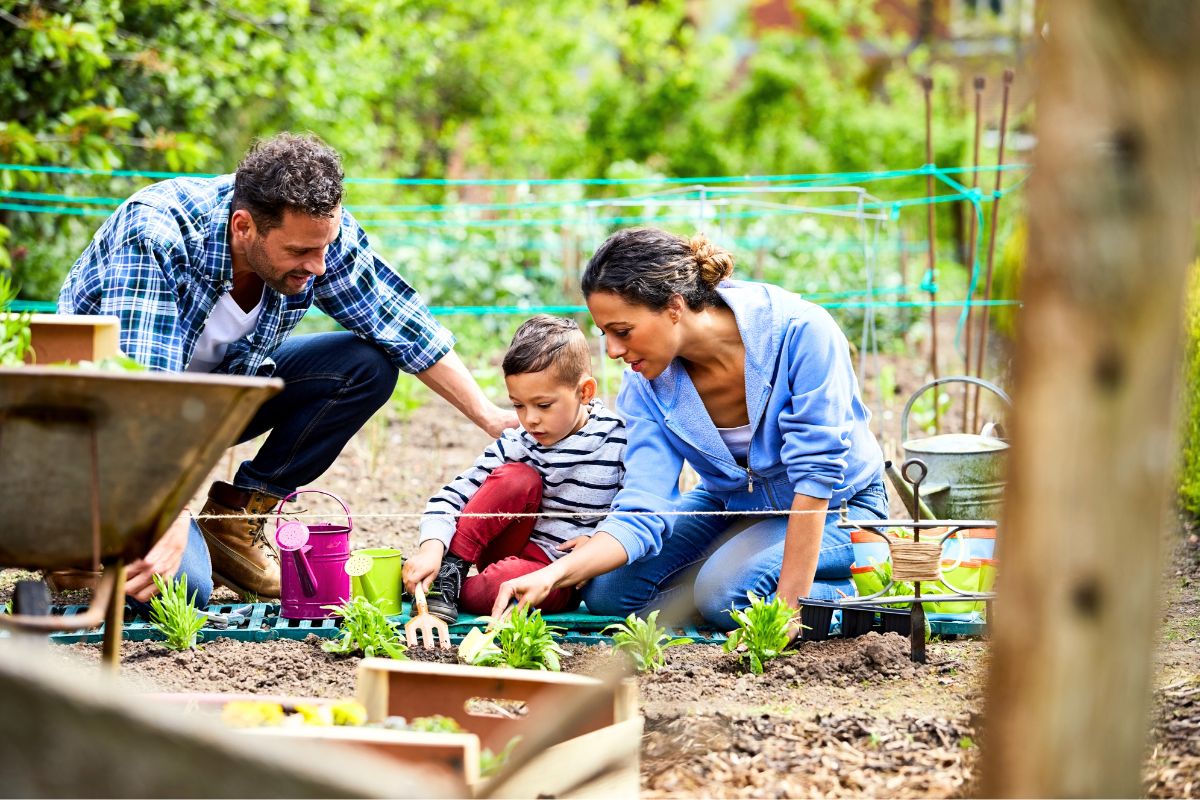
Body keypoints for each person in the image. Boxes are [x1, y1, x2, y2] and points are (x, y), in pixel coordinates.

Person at [58, 132, 516, 606]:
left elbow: (400, 323)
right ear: (244, 228)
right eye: (300, 253)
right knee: (183, 586)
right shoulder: (156, 233)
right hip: (99, 431)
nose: (318, 266)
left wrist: (490, 416)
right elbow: (138, 393)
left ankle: (233, 524)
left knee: (365, 365)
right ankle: (72, 541)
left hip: (203, 405)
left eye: (324, 248)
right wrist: (169, 517)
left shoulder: (314, 234)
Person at [490, 228, 888, 630]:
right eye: (604, 333)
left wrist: (787, 610)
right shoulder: (646, 383)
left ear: (674, 306)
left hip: (841, 506)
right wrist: (554, 574)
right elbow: (644, 501)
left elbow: (815, 476)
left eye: (622, 331)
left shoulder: (800, 332)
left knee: (726, 597)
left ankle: (875, 581)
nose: (611, 351)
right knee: (608, 592)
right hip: (732, 504)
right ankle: (732, 576)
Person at [403, 315, 626, 622]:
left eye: (543, 405)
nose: (530, 419)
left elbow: (634, 511)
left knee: (501, 584)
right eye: (518, 405)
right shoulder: (519, 442)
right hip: (505, 544)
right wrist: (432, 547)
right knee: (517, 477)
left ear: (584, 392)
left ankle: (433, 586)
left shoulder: (617, 441)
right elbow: (451, 497)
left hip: (557, 574)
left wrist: (599, 540)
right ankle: (445, 574)